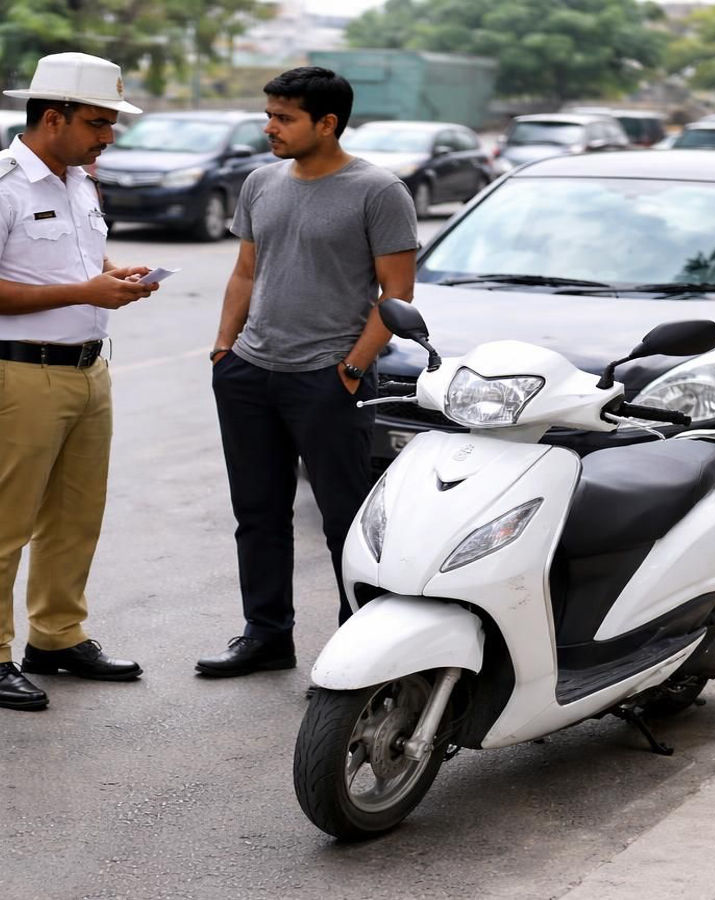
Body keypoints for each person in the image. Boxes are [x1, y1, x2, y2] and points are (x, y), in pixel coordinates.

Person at [0, 52, 157, 711]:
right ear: (52, 117)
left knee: (75, 516)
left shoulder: (76, 182)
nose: (107, 136)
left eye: (112, 124)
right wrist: (82, 290)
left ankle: (58, 636)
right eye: (98, 122)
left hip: (85, 369)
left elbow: (80, 258)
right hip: (14, 373)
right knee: (4, 522)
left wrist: (112, 277)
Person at [195, 66, 419, 678]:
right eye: (269, 114)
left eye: (284, 118)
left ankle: (363, 648)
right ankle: (266, 636)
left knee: (345, 521)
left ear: (327, 123)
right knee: (258, 514)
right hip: (251, 373)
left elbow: (397, 295)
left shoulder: (378, 191)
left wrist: (350, 368)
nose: (271, 127)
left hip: (327, 377)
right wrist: (224, 349)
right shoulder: (262, 182)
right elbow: (246, 270)